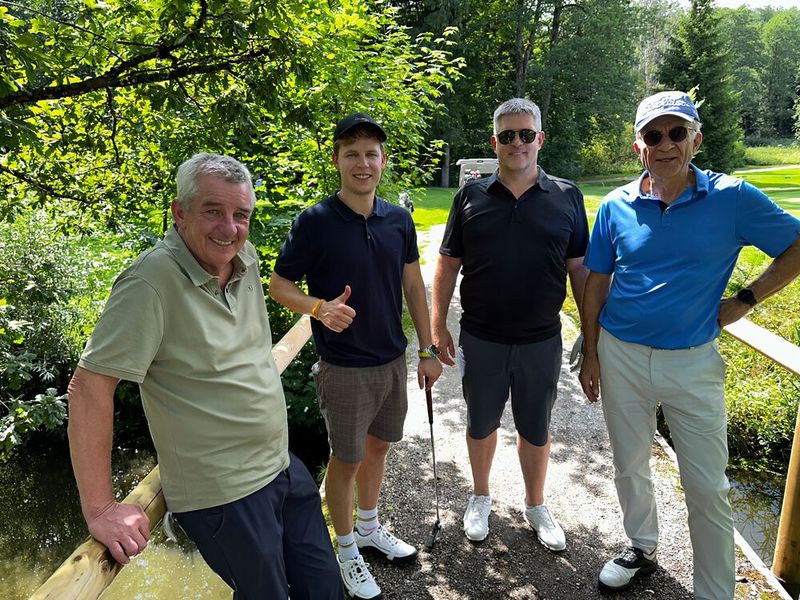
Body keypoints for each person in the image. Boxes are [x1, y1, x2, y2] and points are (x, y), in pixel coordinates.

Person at [67, 153, 343, 600]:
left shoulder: (245, 258)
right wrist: (100, 508)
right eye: (213, 211)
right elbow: (88, 388)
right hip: (224, 493)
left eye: (241, 215)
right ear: (180, 212)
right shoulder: (149, 284)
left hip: (279, 465)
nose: (229, 228)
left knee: (324, 587)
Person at [578, 91, 800, 599]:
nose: (666, 144)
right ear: (640, 148)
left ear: (695, 139)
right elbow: (596, 281)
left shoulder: (732, 198)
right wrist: (590, 351)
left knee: (707, 488)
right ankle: (641, 545)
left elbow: (796, 244)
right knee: (629, 462)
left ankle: (715, 593)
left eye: (677, 132)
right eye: (653, 135)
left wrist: (746, 298)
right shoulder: (616, 205)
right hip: (621, 355)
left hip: (693, 362)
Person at [269, 113, 443, 600]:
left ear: (382, 161)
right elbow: (279, 285)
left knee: (379, 448)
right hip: (343, 367)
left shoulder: (398, 219)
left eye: (371, 154)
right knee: (344, 461)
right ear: (337, 161)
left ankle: (369, 528)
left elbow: (413, 283)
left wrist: (427, 349)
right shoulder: (315, 222)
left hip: (391, 360)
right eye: (352, 154)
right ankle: (344, 549)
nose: (362, 164)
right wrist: (319, 309)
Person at [431, 98, 589, 550]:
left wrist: (591, 335)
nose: (516, 143)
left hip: (541, 339)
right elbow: (447, 264)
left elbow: (579, 270)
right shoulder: (470, 196)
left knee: (535, 427)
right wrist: (439, 326)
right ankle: (480, 497)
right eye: (507, 136)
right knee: (481, 423)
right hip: (481, 337)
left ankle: (535, 504)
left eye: (525, 134)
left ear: (540, 138)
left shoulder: (566, 195)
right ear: (494, 142)